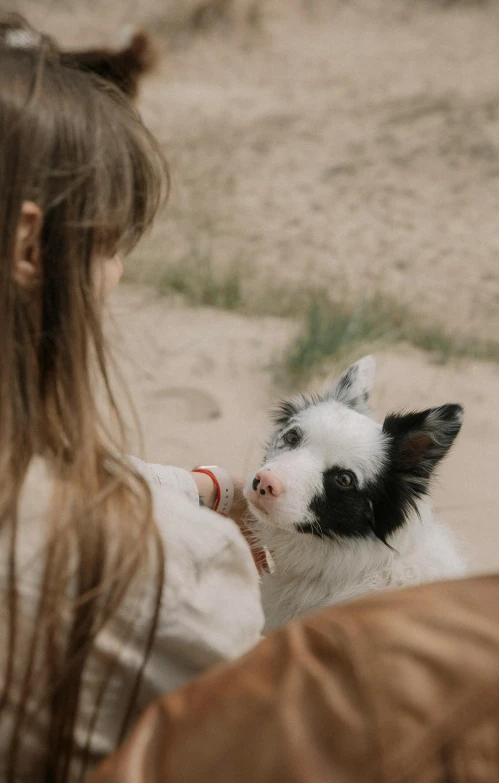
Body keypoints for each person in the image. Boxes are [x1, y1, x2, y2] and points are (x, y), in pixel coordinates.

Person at [0, 25, 264, 783]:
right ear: (29, 246)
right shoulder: (164, 572)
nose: (114, 274)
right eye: (107, 243)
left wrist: (190, 488)